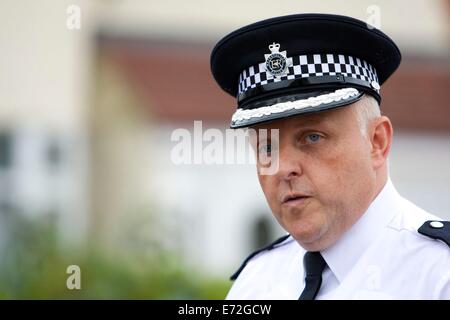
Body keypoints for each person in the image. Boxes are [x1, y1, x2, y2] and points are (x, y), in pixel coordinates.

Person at [210, 13, 450, 299]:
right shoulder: (256, 282)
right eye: (267, 147)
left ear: (377, 142)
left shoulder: (438, 275)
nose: (282, 168)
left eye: (312, 137)